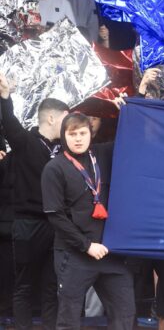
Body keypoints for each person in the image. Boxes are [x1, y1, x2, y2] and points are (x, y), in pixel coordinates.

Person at [41, 113, 135, 330]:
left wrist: (137, 99)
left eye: (82, 133)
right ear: (64, 136)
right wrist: (86, 245)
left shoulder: (100, 154)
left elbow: (131, 136)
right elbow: (55, 216)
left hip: (109, 253)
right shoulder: (54, 169)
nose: (78, 138)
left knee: (125, 313)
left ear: (90, 134)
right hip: (75, 255)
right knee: (69, 318)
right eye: (72, 134)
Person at [0, 73, 69, 330]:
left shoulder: (65, 150)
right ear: (51, 117)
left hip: (56, 224)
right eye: (65, 117)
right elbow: (10, 124)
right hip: (27, 223)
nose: (68, 124)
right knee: (25, 285)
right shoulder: (25, 142)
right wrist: (6, 97)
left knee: (52, 286)